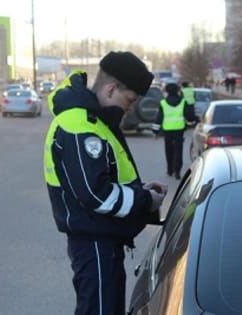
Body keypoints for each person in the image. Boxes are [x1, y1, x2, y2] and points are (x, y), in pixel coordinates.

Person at [43, 51, 168, 315]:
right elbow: (96, 195)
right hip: (94, 244)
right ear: (111, 89)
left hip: (102, 241)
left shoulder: (95, 121)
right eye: (130, 100)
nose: (130, 107)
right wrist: (146, 201)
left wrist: (139, 191)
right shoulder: (80, 125)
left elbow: (103, 179)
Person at [152, 83, 199, 180]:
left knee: (169, 150)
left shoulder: (163, 103)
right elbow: (189, 116)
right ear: (178, 91)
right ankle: (177, 172)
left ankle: (170, 170)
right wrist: (194, 121)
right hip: (179, 130)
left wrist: (155, 131)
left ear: (166, 91)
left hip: (167, 131)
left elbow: (159, 118)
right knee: (178, 151)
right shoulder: (183, 102)